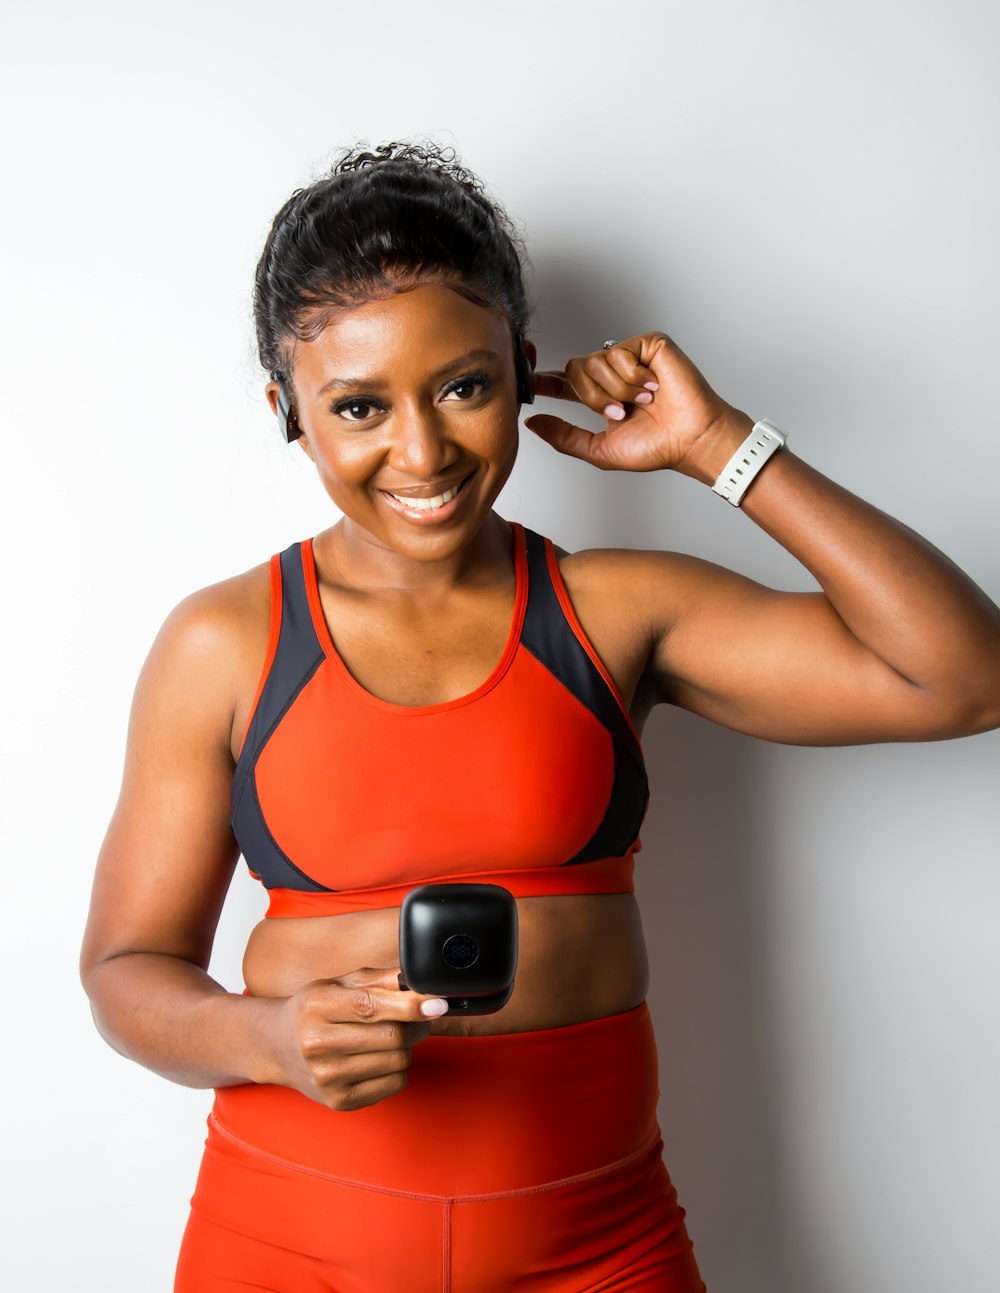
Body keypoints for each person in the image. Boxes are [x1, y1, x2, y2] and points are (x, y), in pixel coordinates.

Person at [80, 141, 1000, 1293]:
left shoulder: (616, 612)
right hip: (284, 1248)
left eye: (462, 385)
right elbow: (127, 967)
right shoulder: (223, 642)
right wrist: (260, 1038)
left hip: (599, 1251)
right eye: (358, 405)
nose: (420, 451)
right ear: (288, 412)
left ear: (523, 370)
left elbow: (961, 677)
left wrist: (717, 446)